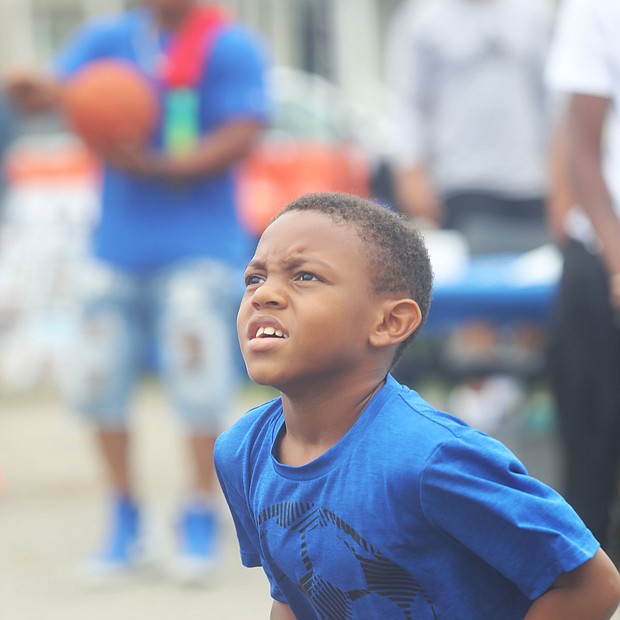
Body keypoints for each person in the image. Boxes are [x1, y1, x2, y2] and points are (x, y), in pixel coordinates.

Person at [214, 191, 620, 619]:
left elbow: (590, 583)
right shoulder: (241, 452)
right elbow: (292, 597)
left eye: (305, 277)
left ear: (389, 322)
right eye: (255, 278)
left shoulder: (431, 458)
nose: (264, 296)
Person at [6, 0, 270, 581]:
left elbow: (245, 130)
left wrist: (160, 166)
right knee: (97, 380)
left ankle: (200, 511)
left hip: (199, 247)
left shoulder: (226, 42)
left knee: (197, 381)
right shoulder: (110, 37)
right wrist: (31, 85)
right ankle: (124, 515)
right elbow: (60, 93)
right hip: (115, 248)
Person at [384, 0, 556, 427]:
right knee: (475, 302)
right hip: (461, 183)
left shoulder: (535, 14)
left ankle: (512, 396)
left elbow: (553, 101)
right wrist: (412, 173)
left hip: (531, 183)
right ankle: (478, 408)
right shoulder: (424, 19)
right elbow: (407, 102)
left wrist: (560, 177)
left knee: (531, 297)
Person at [545, 0, 620, 556]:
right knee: (592, 454)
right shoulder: (597, 8)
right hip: (604, 251)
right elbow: (582, 147)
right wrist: (616, 258)